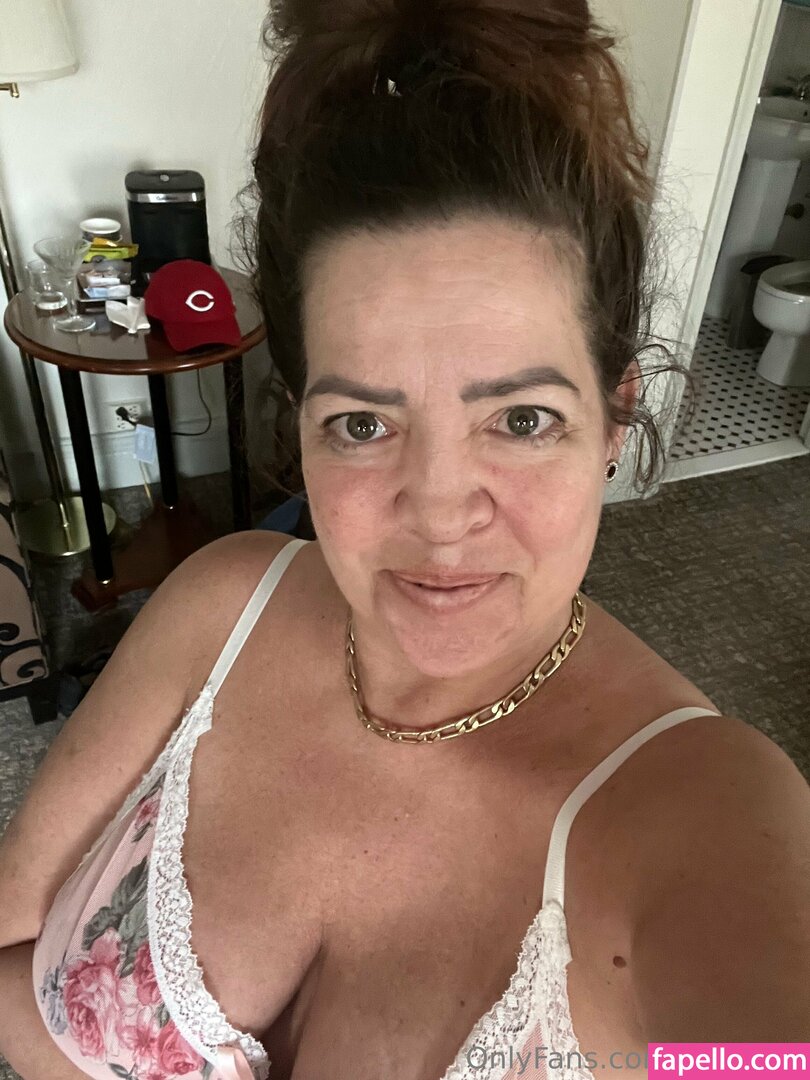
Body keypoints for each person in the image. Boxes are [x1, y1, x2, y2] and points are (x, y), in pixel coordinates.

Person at [1, 1, 809, 1078]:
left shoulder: (711, 818)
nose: (437, 512)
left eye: (522, 419)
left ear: (616, 419)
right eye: (363, 424)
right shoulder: (221, 602)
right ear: (298, 422)